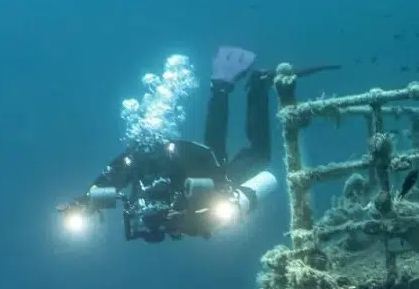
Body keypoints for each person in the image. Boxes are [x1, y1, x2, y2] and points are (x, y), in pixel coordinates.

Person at [59, 48, 333, 243]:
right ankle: (233, 86)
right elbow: (104, 183)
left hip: (206, 173)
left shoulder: (153, 159)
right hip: (200, 179)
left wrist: (222, 190)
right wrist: (82, 204)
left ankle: (241, 86)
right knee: (226, 156)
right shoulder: (132, 163)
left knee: (253, 158)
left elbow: (209, 157)